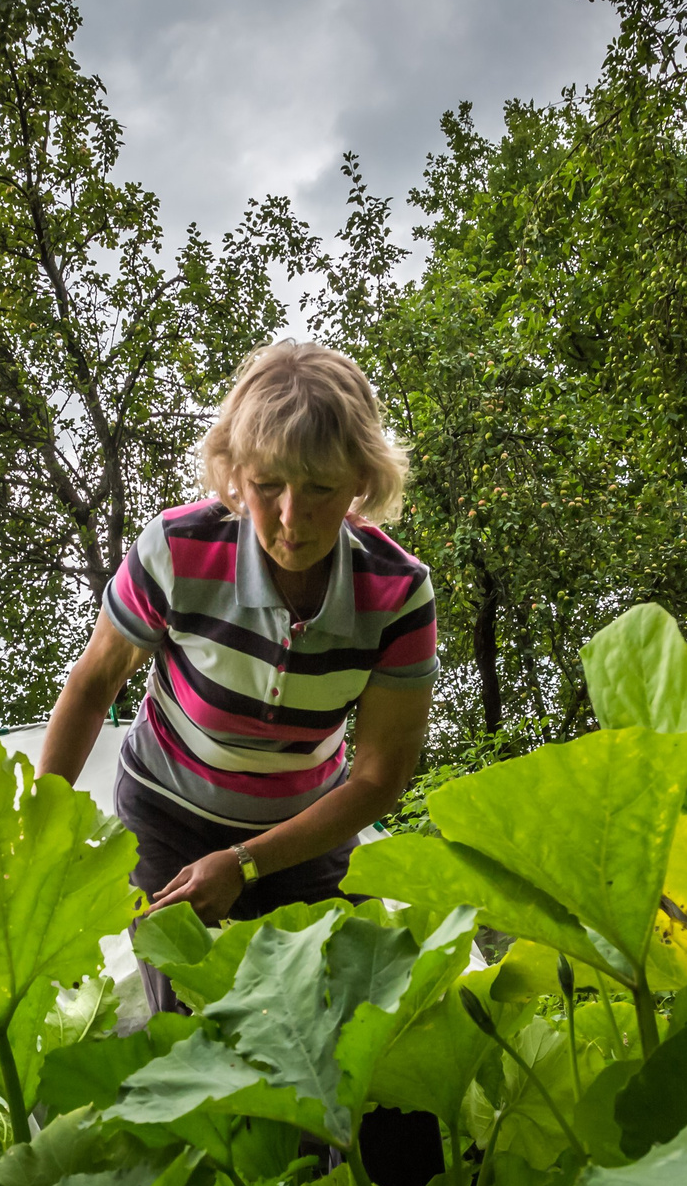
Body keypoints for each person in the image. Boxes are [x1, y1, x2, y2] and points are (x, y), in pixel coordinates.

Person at [37, 342, 436, 1012]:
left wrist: (247, 862)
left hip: (308, 825)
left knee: (345, 1018)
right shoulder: (176, 549)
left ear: (362, 482)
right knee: (196, 1024)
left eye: (320, 488)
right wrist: (39, 829)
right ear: (234, 471)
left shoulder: (399, 593)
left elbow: (379, 778)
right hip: (167, 815)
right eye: (268, 484)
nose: (290, 517)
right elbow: (93, 682)